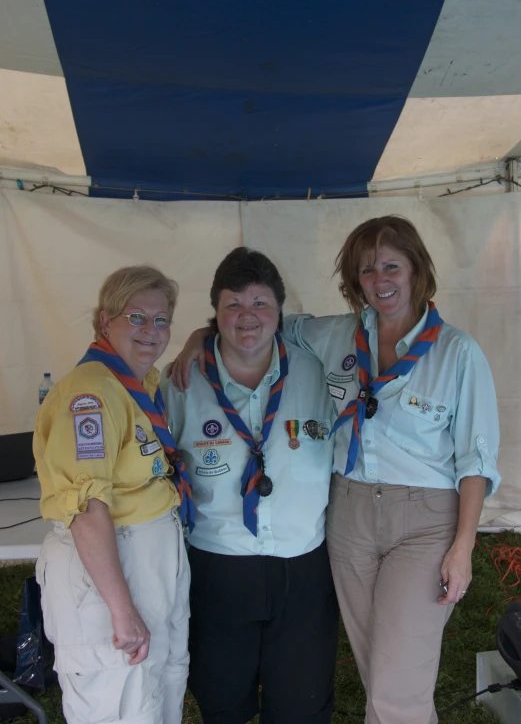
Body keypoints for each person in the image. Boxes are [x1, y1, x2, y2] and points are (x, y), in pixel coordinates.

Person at [172, 217, 501, 724]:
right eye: (367, 269)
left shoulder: (456, 351)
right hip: (348, 515)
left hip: (422, 518)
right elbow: (263, 320)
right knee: (378, 666)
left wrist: (464, 546)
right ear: (355, 280)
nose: (380, 279)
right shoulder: (334, 336)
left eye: (391, 265)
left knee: (398, 682)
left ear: (416, 269)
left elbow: (476, 460)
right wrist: (203, 331)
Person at [161, 247, 338, 724]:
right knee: (222, 700)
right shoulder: (181, 381)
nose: (247, 317)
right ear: (214, 313)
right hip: (217, 564)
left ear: (280, 311)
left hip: (302, 565)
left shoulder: (317, 371)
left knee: (300, 703)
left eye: (260, 303)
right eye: (232, 304)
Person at [34, 265, 194, 724]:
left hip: (145, 559)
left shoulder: (137, 384)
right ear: (105, 321)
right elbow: (86, 509)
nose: (151, 331)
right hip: (109, 568)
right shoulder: (92, 393)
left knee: (157, 692)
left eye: (161, 320)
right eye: (136, 317)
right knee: (118, 702)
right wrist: (121, 611)